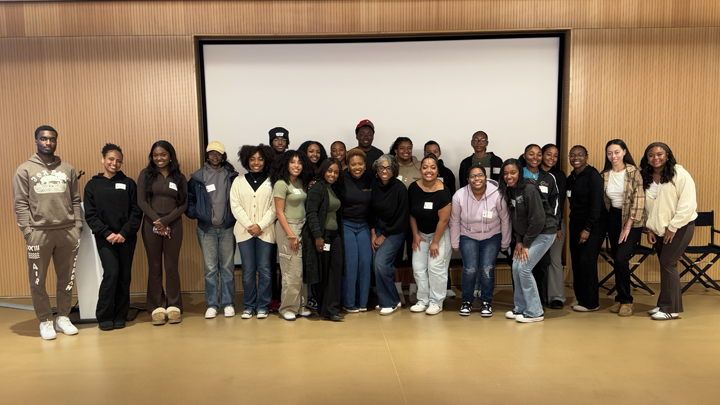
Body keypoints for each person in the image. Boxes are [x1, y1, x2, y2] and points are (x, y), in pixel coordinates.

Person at [13, 125, 82, 340]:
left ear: (56, 141)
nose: (48, 143)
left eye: (52, 139)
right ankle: (44, 320)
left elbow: (75, 200)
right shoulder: (24, 170)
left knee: (66, 279)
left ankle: (63, 317)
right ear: (36, 141)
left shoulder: (68, 169)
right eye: (43, 139)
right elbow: (20, 203)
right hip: (38, 234)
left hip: (67, 232)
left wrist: (77, 226)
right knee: (37, 280)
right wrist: (27, 231)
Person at [83, 143, 142, 331]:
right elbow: (90, 214)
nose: (114, 163)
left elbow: (136, 211)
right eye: (110, 159)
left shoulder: (129, 183)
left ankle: (120, 315)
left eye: (118, 161)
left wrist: (124, 233)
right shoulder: (92, 185)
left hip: (127, 238)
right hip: (105, 238)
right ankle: (104, 314)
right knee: (112, 274)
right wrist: (107, 233)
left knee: (124, 276)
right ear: (102, 160)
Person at [641, 142, 697, 321]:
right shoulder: (646, 176)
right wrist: (649, 228)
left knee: (668, 263)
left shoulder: (680, 174)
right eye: (651, 155)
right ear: (646, 158)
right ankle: (664, 303)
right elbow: (647, 206)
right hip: (657, 228)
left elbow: (687, 204)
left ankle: (671, 309)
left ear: (667, 155)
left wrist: (673, 227)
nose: (655, 158)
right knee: (664, 265)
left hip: (680, 226)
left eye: (659, 154)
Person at [137, 140, 188, 325]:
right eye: (155, 155)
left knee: (171, 266)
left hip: (173, 225)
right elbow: (141, 201)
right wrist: (158, 222)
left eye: (163, 154)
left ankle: (174, 306)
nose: (159, 158)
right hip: (151, 225)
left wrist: (165, 222)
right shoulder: (145, 174)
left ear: (170, 156)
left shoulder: (179, 177)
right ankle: (157, 307)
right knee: (155, 267)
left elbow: (183, 204)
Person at [186, 141, 239, 319]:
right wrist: (197, 213)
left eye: (218, 153)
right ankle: (212, 304)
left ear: (223, 156)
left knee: (227, 267)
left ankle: (228, 303)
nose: (215, 156)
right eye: (211, 153)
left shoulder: (231, 176)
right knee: (210, 269)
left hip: (227, 228)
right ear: (207, 155)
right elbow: (189, 199)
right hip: (206, 229)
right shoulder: (197, 177)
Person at [500, 159, 557, 323]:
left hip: (544, 232)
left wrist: (526, 244)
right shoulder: (511, 190)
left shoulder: (529, 189)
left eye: (512, 172)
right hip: (528, 235)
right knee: (516, 266)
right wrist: (518, 241)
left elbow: (538, 220)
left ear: (519, 172)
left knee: (524, 268)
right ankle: (521, 307)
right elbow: (517, 219)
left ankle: (535, 311)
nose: (509, 176)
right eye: (505, 173)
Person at [450, 165, 511, 317]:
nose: (476, 179)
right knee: (469, 269)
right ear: (467, 180)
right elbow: (455, 221)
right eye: (472, 176)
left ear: (485, 177)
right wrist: (455, 242)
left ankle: (486, 302)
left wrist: (505, 241)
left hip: (492, 236)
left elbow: (505, 219)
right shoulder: (459, 195)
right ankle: (467, 302)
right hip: (468, 235)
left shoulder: (497, 194)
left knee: (487, 269)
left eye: (480, 175)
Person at [231, 144, 276, 320]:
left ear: (265, 160)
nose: (256, 162)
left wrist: (260, 226)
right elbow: (235, 206)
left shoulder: (273, 181)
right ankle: (249, 305)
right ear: (246, 161)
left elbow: (274, 207)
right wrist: (251, 225)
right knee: (248, 270)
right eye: (252, 159)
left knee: (265, 270)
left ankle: (263, 305)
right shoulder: (238, 181)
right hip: (244, 232)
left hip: (266, 232)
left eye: (260, 159)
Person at [600, 139, 645, 317]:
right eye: (610, 153)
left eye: (617, 152)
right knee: (617, 260)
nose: (613, 156)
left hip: (632, 221)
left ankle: (627, 301)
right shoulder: (604, 174)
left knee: (621, 258)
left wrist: (628, 224)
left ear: (624, 152)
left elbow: (639, 199)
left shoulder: (634, 173)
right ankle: (620, 298)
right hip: (613, 219)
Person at [408, 153, 453, 315]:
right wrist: (415, 235)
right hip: (420, 233)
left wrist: (435, 242)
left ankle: (436, 302)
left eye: (432, 167)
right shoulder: (414, 188)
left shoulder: (443, 190)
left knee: (436, 268)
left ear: (437, 170)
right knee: (418, 268)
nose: (429, 170)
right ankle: (423, 299)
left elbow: (443, 220)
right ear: (420, 169)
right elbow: (411, 213)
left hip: (440, 235)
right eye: (425, 167)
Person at [272, 150, 313, 321]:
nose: (296, 165)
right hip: (288, 227)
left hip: (302, 226)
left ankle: (301, 305)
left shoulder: (301, 183)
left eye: (299, 162)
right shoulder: (281, 184)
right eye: (292, 162)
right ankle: (288, 307)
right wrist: (290, 235)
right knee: (291, 271)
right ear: (286, 164)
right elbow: (279, 213)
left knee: (301, 269)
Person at [303, 158, 345, 321]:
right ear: (323, 171)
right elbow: (311, 213)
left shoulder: (333, 188)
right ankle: (324, 309)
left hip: (335, 236)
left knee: (336, 271)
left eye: (336, 172)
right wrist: (318, 237)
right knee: (324, 273)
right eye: (330, 171)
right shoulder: (317, 187)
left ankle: (332, 309)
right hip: (323, 235)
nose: (332, 174)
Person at [519, 143, 560, 306]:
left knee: (542, 265)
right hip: (523, 231)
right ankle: (522, 302)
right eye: (531, 154)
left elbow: (555, 203)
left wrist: (554, 226)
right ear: (524, 156)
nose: (535, 157)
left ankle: (539, 302)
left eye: (538, 154)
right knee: (520, 265)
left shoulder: (549, 178)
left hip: (543, 232)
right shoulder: (518, 175)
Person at [566, 145, 604, 313]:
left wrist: (587, 228)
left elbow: (597, 206)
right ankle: (581, 298)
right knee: (577, 262)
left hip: (592, 226)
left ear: (586, 156)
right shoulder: (571, 178)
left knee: (587, 263)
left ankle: (591, 302)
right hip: (574, 223)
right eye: (572, 155)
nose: (576, 158)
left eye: (580, 155)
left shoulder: (594, 176)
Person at [370, 154, 409, 315]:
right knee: (378, 264)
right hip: (377, 228)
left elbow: (401, 217)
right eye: (381, 167)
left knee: (381, 263)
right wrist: (373, 233)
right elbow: (369, 210)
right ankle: (393, 298)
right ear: (377, 170)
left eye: (388, 167)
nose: (384, 171)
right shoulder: (374, 185)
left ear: (394, 169)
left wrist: (383, 235)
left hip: (395, 230)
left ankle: (388, 303)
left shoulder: (399, 188)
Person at [339, 148, 373, 313]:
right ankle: (349, 302)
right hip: (346, 225)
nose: (357, 167)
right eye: (353, 164)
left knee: (366, 263)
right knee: (351, 264)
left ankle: (363, 302)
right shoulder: (341, 178)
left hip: (364, 226)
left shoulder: (370, 179)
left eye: (360, 164)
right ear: (348, 165)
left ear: (365, 165)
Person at [424, 141, 458, 298]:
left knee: (441, 259)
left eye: (435, 151)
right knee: (425, 263)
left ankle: (444, 289)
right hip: (424, 225)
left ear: (440, 153)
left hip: (444, 220)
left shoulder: (448, 173)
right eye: (428, 151)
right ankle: (426, 294)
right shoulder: (422, 173)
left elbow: (451, 197)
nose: (432, 154)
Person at [390, 136, 421, 303]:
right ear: (396, 150)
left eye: (409, 147)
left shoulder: (419, 167)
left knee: (413, 256)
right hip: (395, 219)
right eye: (402, 148)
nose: (406, 151)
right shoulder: (390, 167)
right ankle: (398, 292)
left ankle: (414, 292)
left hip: (415, 219)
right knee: (395, 257)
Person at [540, 143, 567, 309]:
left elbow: (560, 200)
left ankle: (556, 297)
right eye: (548, 154)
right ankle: (540, 296)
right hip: (535, 225)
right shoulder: (532, 173)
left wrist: (557, 225)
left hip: (555, 223)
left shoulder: (559, 175)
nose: (551, 158)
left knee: (555, 259)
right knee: (540, 261)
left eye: (555, 155)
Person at [267, 127, 289, 309]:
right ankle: (272, 298)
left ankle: (284, 296)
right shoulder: (263, 161)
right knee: (268, 261)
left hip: (285, 217)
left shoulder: (292, 162)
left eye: (283, 140)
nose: (280, 143)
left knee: (285, 260)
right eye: (276, 140)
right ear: (271, 142)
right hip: (267, 218)